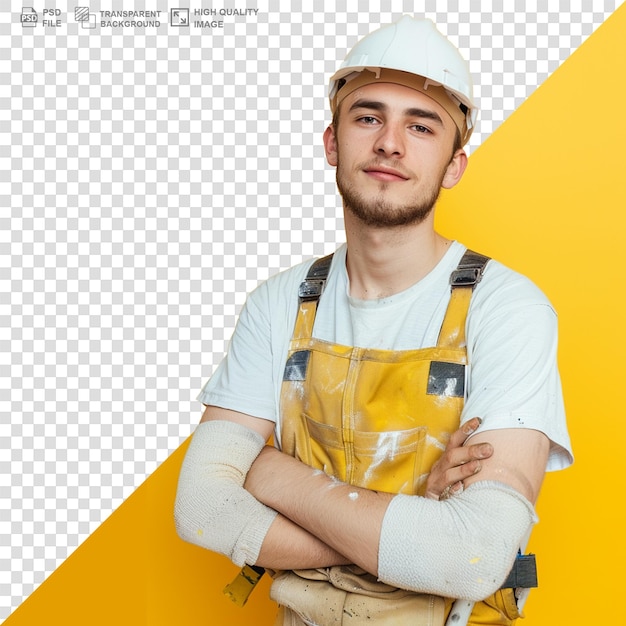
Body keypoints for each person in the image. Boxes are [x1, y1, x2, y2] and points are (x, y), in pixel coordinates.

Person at [174, 15, 573, 626]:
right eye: (368, 117)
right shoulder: (278, 302)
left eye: (421, 126)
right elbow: (202, 506)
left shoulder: (508, 309)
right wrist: (415, 520)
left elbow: (472, 556)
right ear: (332, 142)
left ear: (455, 165)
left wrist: (273, 475)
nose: (391, 143)